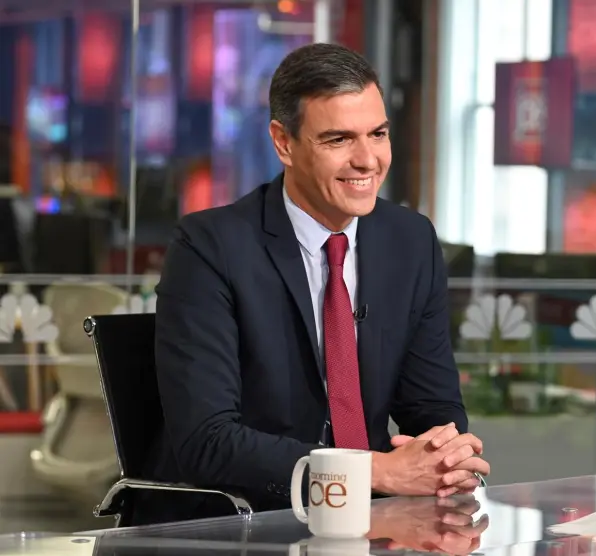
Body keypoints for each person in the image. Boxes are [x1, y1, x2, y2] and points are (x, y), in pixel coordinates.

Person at [139, 43, 489, 525]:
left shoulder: (410, 241)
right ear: (284, 143)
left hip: (369, 522)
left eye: (378, 134)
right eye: (338, 139)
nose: (367, 160)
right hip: (238, 520)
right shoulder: (210, 248)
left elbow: (433, 406)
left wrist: (444, 459)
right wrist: (377, 472)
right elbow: (208, 441)